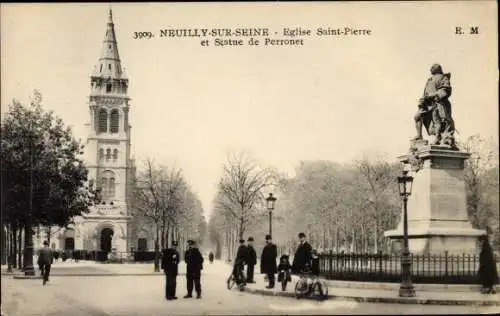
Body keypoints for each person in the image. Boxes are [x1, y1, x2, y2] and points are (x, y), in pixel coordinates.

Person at [413, 63, 456, 148]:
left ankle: (437, 137)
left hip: (438, 102)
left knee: (437, 120)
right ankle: (419, 136)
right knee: (417, 117)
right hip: (427, 103)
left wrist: (433, 95)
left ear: (438, 69)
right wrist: (422, 100)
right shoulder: (430, 79)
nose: (430, 69)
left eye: (432, 67)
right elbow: (425, 92)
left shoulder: (444, 77)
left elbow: (445, 90)